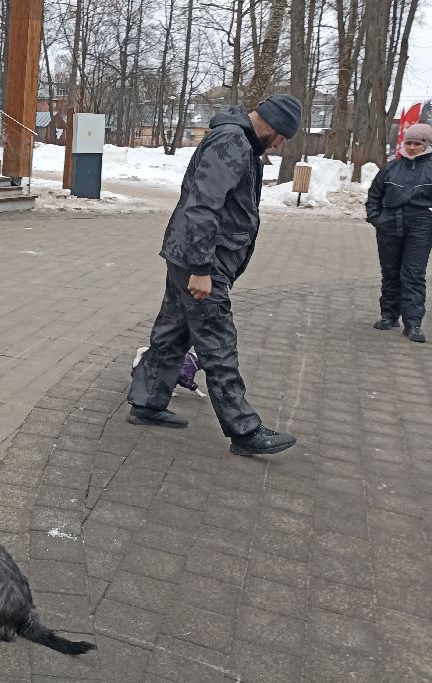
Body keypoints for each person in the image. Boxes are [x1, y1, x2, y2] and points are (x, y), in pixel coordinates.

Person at [127, 95, 302, 456]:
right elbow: (202, 206)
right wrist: (202, 269)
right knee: (218, 342)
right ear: (270, 124)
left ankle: (146, 403)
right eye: (282, 135)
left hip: (191, 256)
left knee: (173, 333)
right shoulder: (233, 142)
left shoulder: (236, 139)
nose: (280, 143)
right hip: (203, 261)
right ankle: (244, 429)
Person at [366, 123, 432, 343]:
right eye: (409, 143)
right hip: (389, 223)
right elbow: (374, 194)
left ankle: (413, 322)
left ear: (426, 145)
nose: (412, 147)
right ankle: (389, 315)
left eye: (417, 143)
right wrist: (376, 218)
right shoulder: (390, 168)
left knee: (413, 274)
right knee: (390, 272)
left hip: (420, 224)